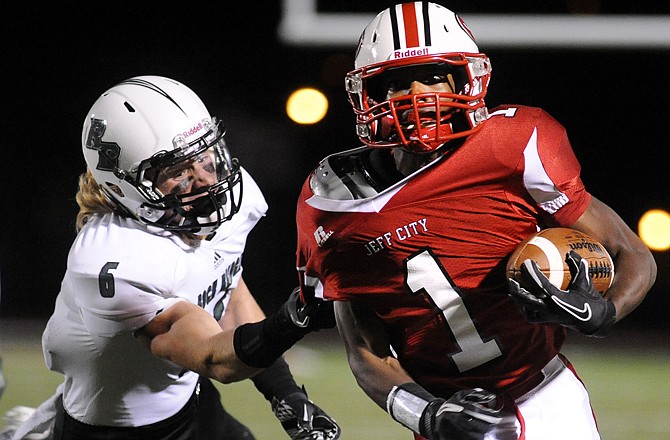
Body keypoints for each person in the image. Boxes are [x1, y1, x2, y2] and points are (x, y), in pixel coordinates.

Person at [294, 2, 656, 440]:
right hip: (445, 414)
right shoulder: (332, 204)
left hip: (543, 396)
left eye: (432, 75)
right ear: (369, 95)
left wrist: (603, 311)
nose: (417, 94)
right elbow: (365, 351)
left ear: (466, 78)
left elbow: (631, 253)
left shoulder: (511, 146)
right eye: (396, 82)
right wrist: (426, 415)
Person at [4, 75, 339, 440]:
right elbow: (214, 357)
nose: (206, 182)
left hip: (191, 405)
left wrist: (283, 393)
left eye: (204, 157)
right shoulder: (116, 259)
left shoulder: (228, 199)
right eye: (177, 172)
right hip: (112, 432)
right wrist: (295, 318)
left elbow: (226, 286)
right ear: (124, 187)